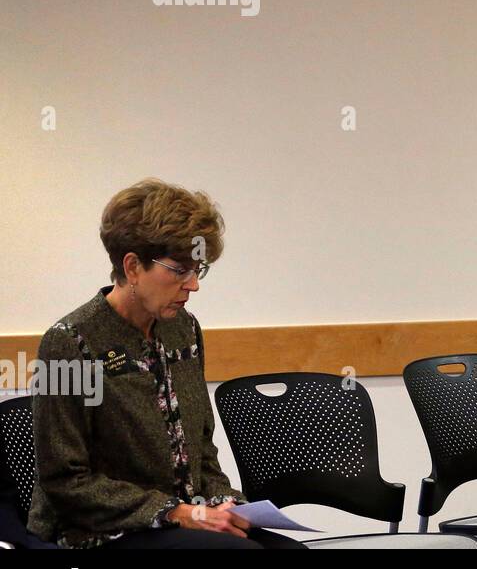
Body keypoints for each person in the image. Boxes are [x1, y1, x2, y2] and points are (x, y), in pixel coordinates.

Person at [27, 178, 304, 549]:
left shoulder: (183, 329)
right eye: (179, 270)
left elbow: (202, 448)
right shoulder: (69, 342)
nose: (193, 286)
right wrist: (176, 512)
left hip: (185, 518)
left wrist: (223, 500)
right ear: (133, 267)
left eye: (198, 270)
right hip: (101, 531)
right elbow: (65, 481)